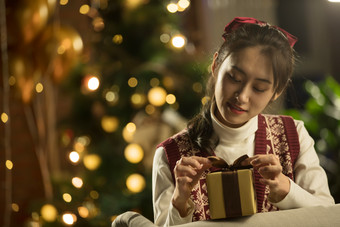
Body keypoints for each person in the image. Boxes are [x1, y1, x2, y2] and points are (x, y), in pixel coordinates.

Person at [152, 17, 335, 226]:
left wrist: (288, 190)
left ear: (277, 91)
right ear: (215, 65)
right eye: (234, 78)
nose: (242, 96)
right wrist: (179, 203)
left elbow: (328, 216)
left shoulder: (294, 135)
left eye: (259, 88)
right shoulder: (170, 155)